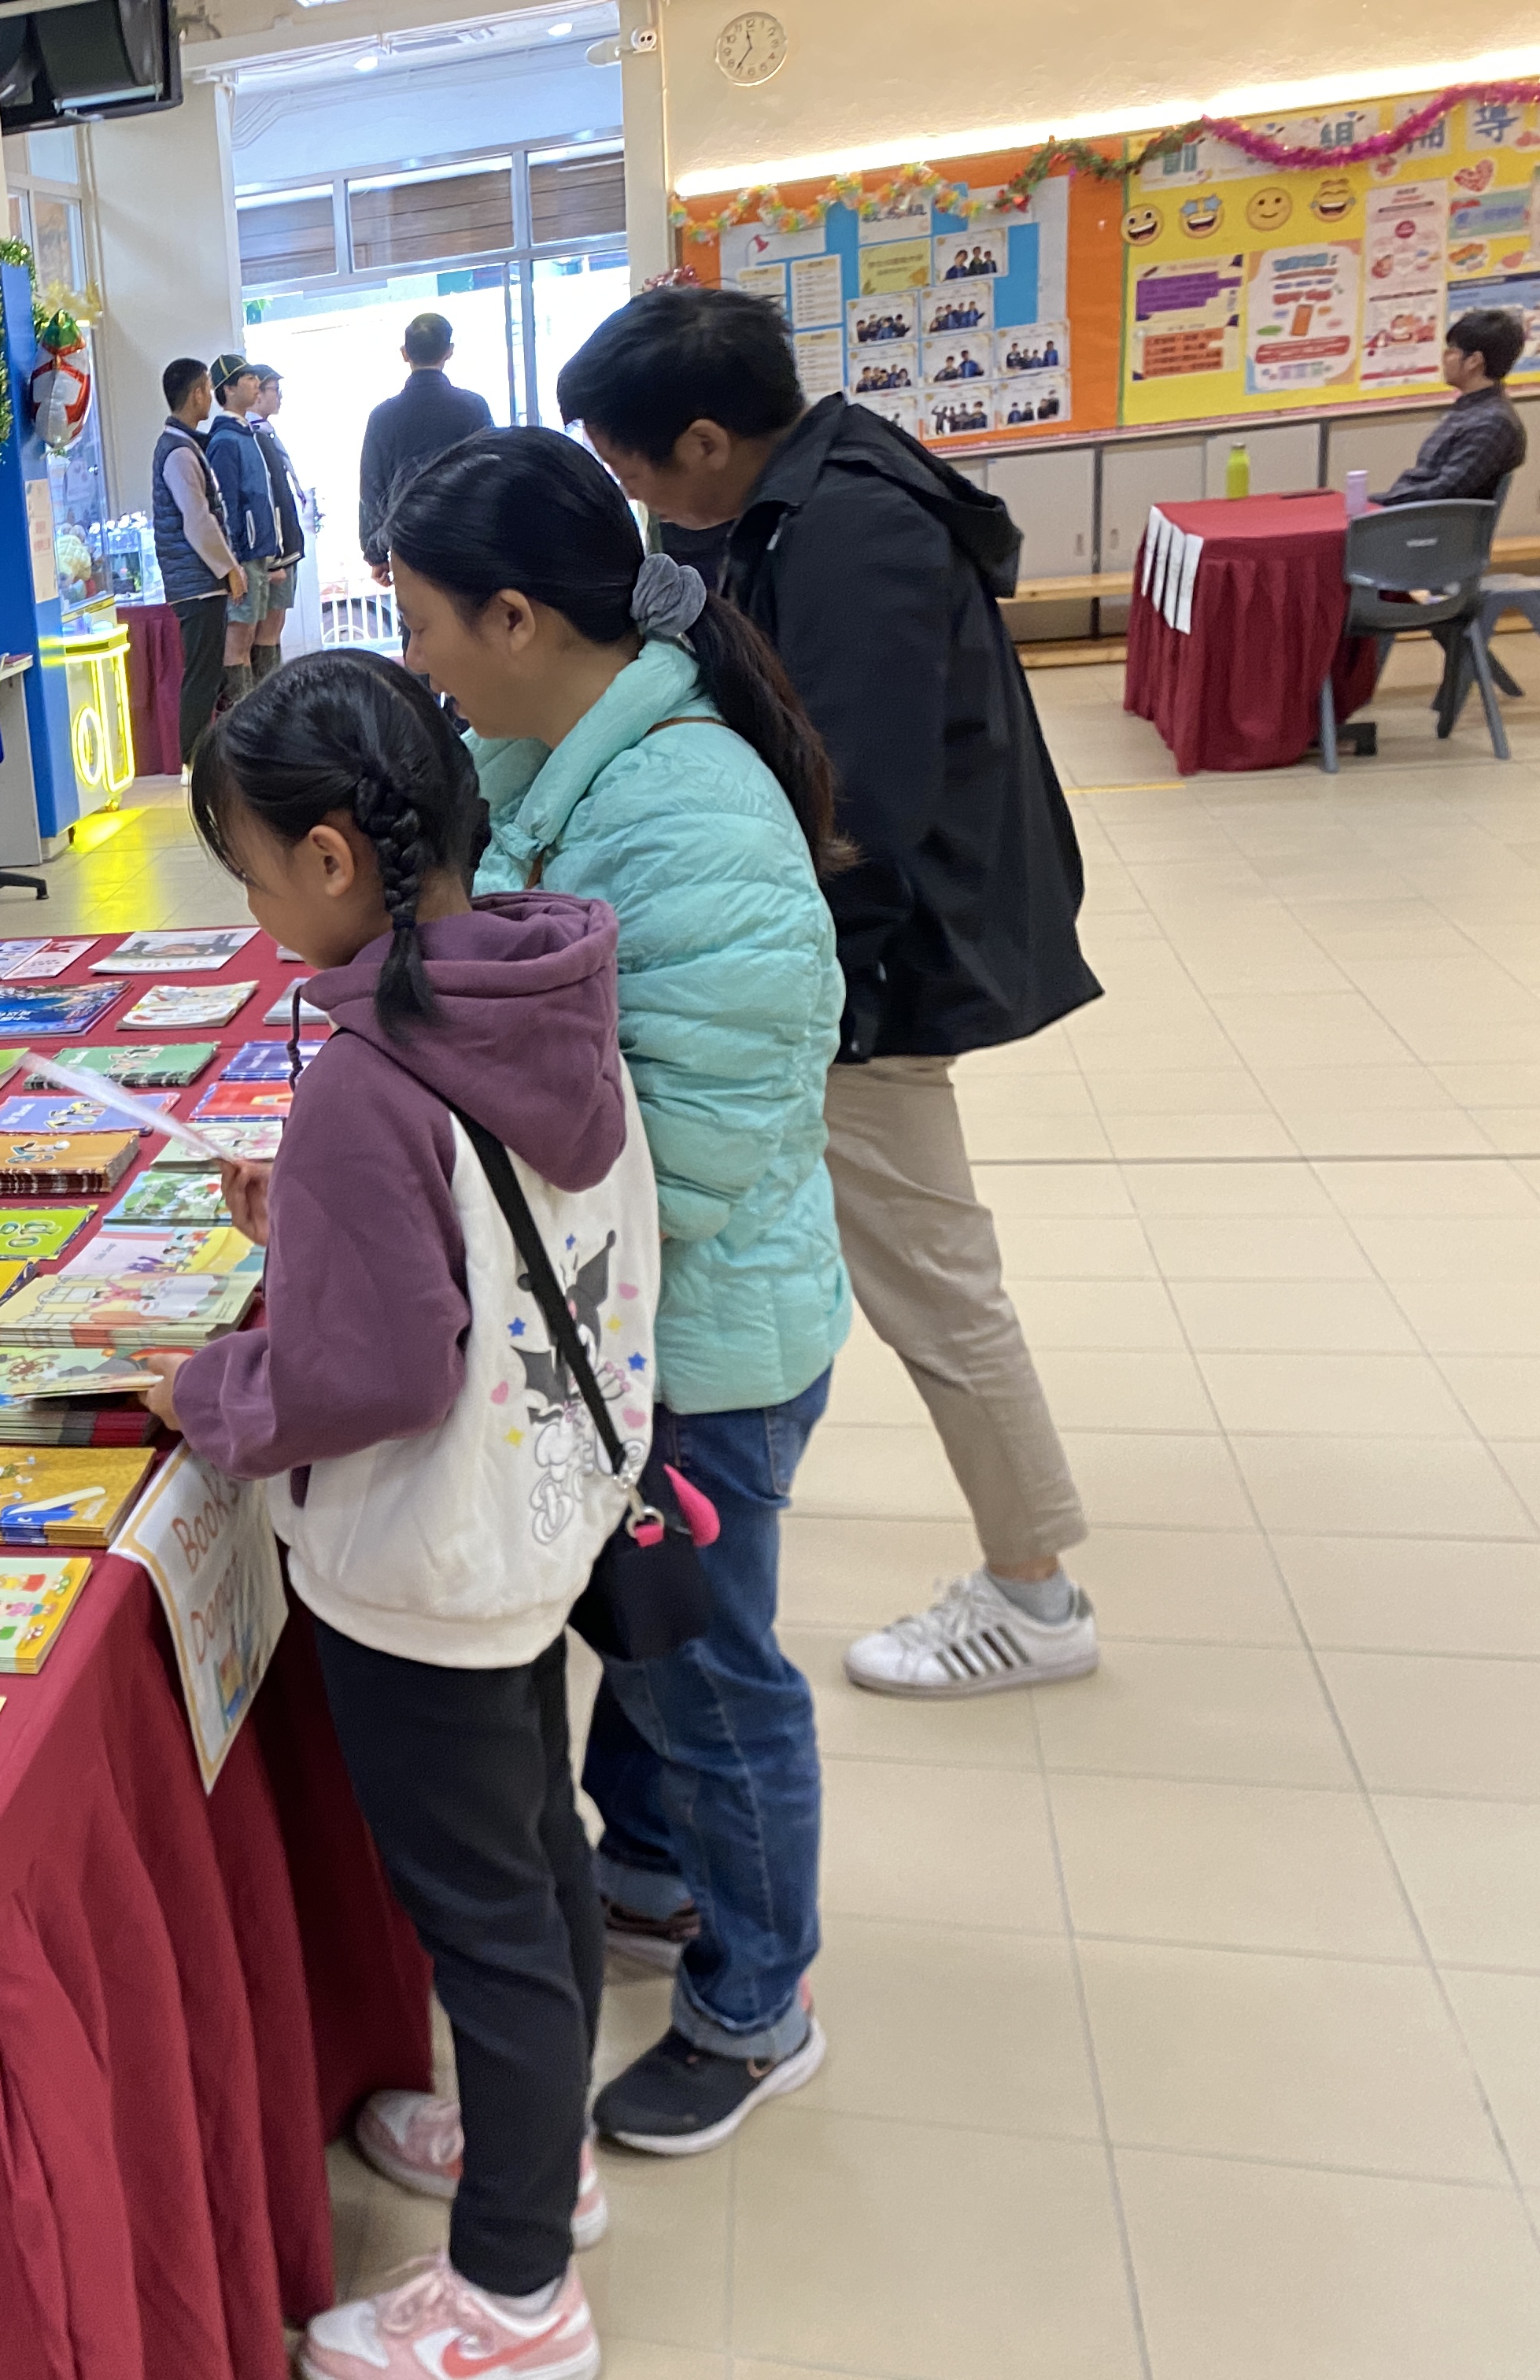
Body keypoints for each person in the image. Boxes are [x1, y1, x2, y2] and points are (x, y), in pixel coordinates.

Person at [144, 649, 655, 2379]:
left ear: (333, 856)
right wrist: (317, 1210)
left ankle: (515, 2287)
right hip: (538, 1514)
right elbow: (488, 1226)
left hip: (425, 1563)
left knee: (486, 1916)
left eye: (249, 872)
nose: (250, 908)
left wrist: (211, 1394)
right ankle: (541, 2150)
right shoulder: (537, 988)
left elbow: (367, 1372)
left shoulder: (367, 1079)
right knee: (538, 1851)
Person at [389, 427, 854, 2153]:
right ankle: (652, 1870)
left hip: (699, 1340)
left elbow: (699, 1141)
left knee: (709, 1680)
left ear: (516, 617)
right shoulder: (551, 754)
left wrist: (447, 1201)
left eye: (424, 622)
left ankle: (756, 2005)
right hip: (626, 1326)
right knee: (648, 1636)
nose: (418, 659)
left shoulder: (683, 812)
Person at [557, 286, 1107, 1702]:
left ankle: (1035, 1591)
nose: (630, 492)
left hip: (878, 964)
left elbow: (858, 803)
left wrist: (782, 980)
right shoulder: (799, 495)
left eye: (628, 461)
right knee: (840, 1245)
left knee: (933, 1275)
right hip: (854, 949)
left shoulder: (854, 529)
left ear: (703, 437)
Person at [150, 356, 246, 767]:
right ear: (197, 394)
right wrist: (229, 569)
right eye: (207, 388)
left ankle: (205, 757)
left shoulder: (185, 444)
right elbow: (198, 521)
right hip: (197, 583)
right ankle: (192, 762)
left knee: (207, 673)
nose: (210, 396)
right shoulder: (179, 452)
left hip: (200, 581)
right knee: (202, 676)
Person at [359, 312, 496, 586]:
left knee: (418, 613)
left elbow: (371, 489)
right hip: (465, 542)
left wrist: (376, 553)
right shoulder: (473, 407)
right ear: (449, 351)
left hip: (408, 544)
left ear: (404, 353)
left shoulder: (383, 417)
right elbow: (491, 474)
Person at [1383, 308, 1528, 503]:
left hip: (1428, 518)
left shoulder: (1493, 422)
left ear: (1474, 361)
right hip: (1414, 511)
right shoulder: (1472, 410)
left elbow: (1445, 489)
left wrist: (1378, 503)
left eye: (1451, 351)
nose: (1444, 358)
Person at [205, 354, 284, 715]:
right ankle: (241, 722)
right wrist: (233, 560)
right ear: (228, 390)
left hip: (258, 552)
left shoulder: (245, 434)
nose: (256, 384)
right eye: (248, 379)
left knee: (252, 634)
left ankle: (259, 716)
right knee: (238, 640)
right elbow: (226, 507)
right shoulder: (225, 440)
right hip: (244, 556)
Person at [250, 366, 310, 678]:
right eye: (275, 390)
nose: (280, 397)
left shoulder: (265, 432)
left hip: (286, 542)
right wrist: (275, 556)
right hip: (276, 548)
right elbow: (265, 498)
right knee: (268, 628)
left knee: (275, 625)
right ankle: (268, 692)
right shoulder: (253, 436)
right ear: (257, 394)